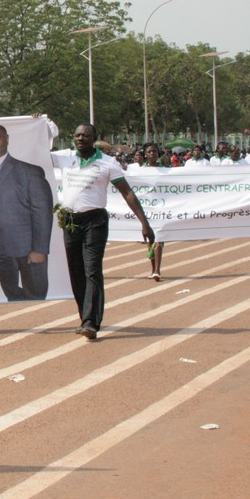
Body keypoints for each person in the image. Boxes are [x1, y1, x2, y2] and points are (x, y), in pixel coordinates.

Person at [49, 122, 155, 341]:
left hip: (94, 221)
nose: (80, 139)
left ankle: (91, 322)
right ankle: (84, 318)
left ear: (94, 138)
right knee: (76, 272)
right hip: (69, 221)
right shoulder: (64, 157)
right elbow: (34, 150)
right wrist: (38, 124)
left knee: (92, 270)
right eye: (77, 135)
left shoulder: (108, 163)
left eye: (85, 136)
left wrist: (144, 222)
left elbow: (127, 193)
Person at [0, 123, 53, 301]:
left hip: (27, 246)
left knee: (36, 293)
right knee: (10, 291)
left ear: (6, 139)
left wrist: (39, 249)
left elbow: (43, 213)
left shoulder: (30, 172)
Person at [140, 143, 168, 281]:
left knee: (159, 239)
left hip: (161, 209)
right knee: (150, 240)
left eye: (155, 151)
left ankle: (157, 270)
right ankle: (153, 269)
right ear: (145, 154)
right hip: (145, 209)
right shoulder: (139, 171)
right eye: (149, 151)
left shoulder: (165, 171)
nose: (152, 154)